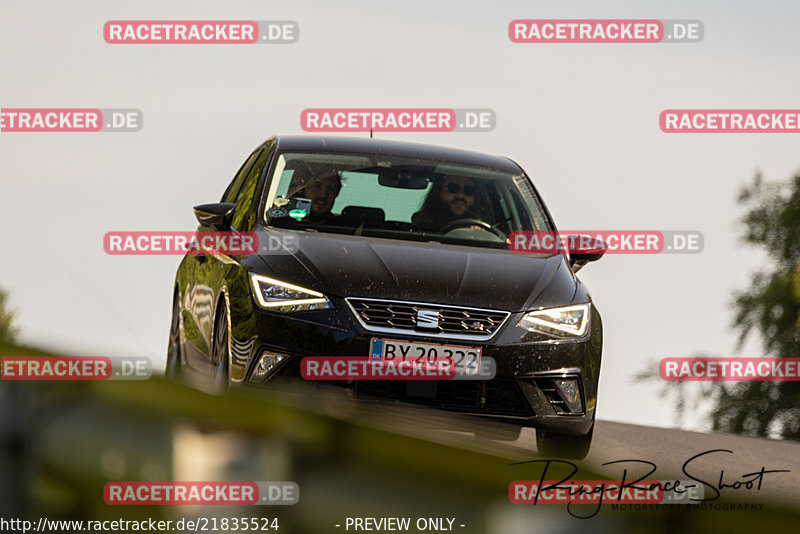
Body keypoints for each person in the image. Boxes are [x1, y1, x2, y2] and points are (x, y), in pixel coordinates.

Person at [411, 173, 486, 232]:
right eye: (453, 188)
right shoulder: (420, 228)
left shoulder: (484, 235)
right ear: (438, 192)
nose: (461, 195)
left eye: (469, 190)